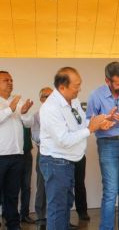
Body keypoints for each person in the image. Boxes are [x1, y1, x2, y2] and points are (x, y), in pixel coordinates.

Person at [39, 67, 113, 230]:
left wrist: (99, 124)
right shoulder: (50, 108)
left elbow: (80, 124)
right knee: (58, 210)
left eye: (80, 84)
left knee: (65, 207)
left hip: (69, 161)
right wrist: (91, 129)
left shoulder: (73, 101)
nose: (80, 89)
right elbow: (63, 140)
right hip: (55, 163)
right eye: (76, 85)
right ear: (62, 87)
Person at [86, 61, 119, 230]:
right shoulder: (96, 95)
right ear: (108, 81)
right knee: (110, 191)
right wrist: (102, 122)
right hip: (108, 144)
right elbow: (89, 122)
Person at [0, 70, 33, 230]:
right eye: (6, 80)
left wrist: (25, 112)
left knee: (13, 194)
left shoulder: (17, 101)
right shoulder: (11, 104)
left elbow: (28, 123)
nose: (10, 82)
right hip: (0, 156)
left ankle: (13, 225)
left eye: (11, 80)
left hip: (17, 156)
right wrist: (9, 109)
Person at [31, 87, 53, 229]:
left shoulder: (61, 114)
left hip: (60, 154)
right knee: (42, 186)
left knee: (59, 186)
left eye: (52, 95)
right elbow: (35, 136)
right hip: (44, 152)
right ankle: (41, 217)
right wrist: (52, 135)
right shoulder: (37, 115)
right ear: (41, 99)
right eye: (46, 96)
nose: (49, 98)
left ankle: (59, 217)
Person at [20, 126, 35, 224]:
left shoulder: (27, 117)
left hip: (27, 153)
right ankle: (6, 213)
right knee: (9, 187)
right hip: (13, 154)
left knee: (26, 186)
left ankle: (24, 214)